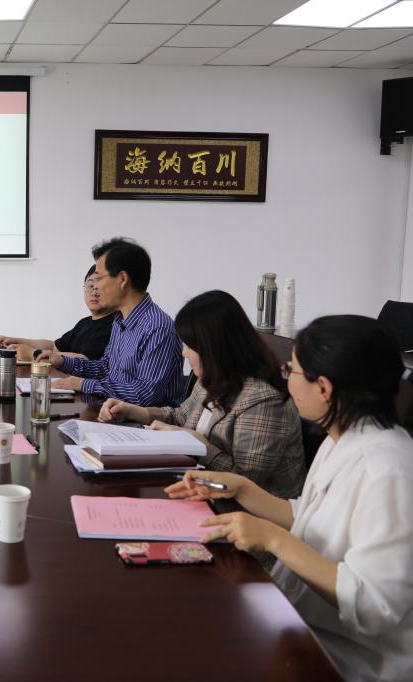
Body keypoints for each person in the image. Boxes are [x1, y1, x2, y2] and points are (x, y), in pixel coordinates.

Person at [167, 315, 413, 681]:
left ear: (324, 388)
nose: (286, 380)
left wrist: (273, 539)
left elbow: (374, 604)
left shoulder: (387, 471)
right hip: (301, 620)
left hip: (347, 658)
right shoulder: (345, 437)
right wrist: (241, 488)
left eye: (291, 370)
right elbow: (311, 517)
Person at [99, 290, 305, 500]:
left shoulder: (263, 400)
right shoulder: (213, 377)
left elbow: (244, 482)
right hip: (203, 490)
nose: (183, 353)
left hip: (246, 511)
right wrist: (131, 411)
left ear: (213, 348)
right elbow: (180, 416)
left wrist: (201, 446)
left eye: (189, 346)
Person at [36, 237, 186, 406]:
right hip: (113, 410)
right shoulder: (120, 320)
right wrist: (63, 361)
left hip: (146, 420)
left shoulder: (157, 327)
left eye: (99, 278)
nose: (95, 287)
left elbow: (145, 395)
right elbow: (105, 368)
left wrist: (83, 384)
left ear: (122, 279)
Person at [0, 265, 115, 361]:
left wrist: (33, 353)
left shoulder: (114, 325)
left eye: (100, 287)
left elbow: (84, 359)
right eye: (90, 285)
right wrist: (16, 340)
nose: (94, 292)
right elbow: (54, 347)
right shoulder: (84, 323)